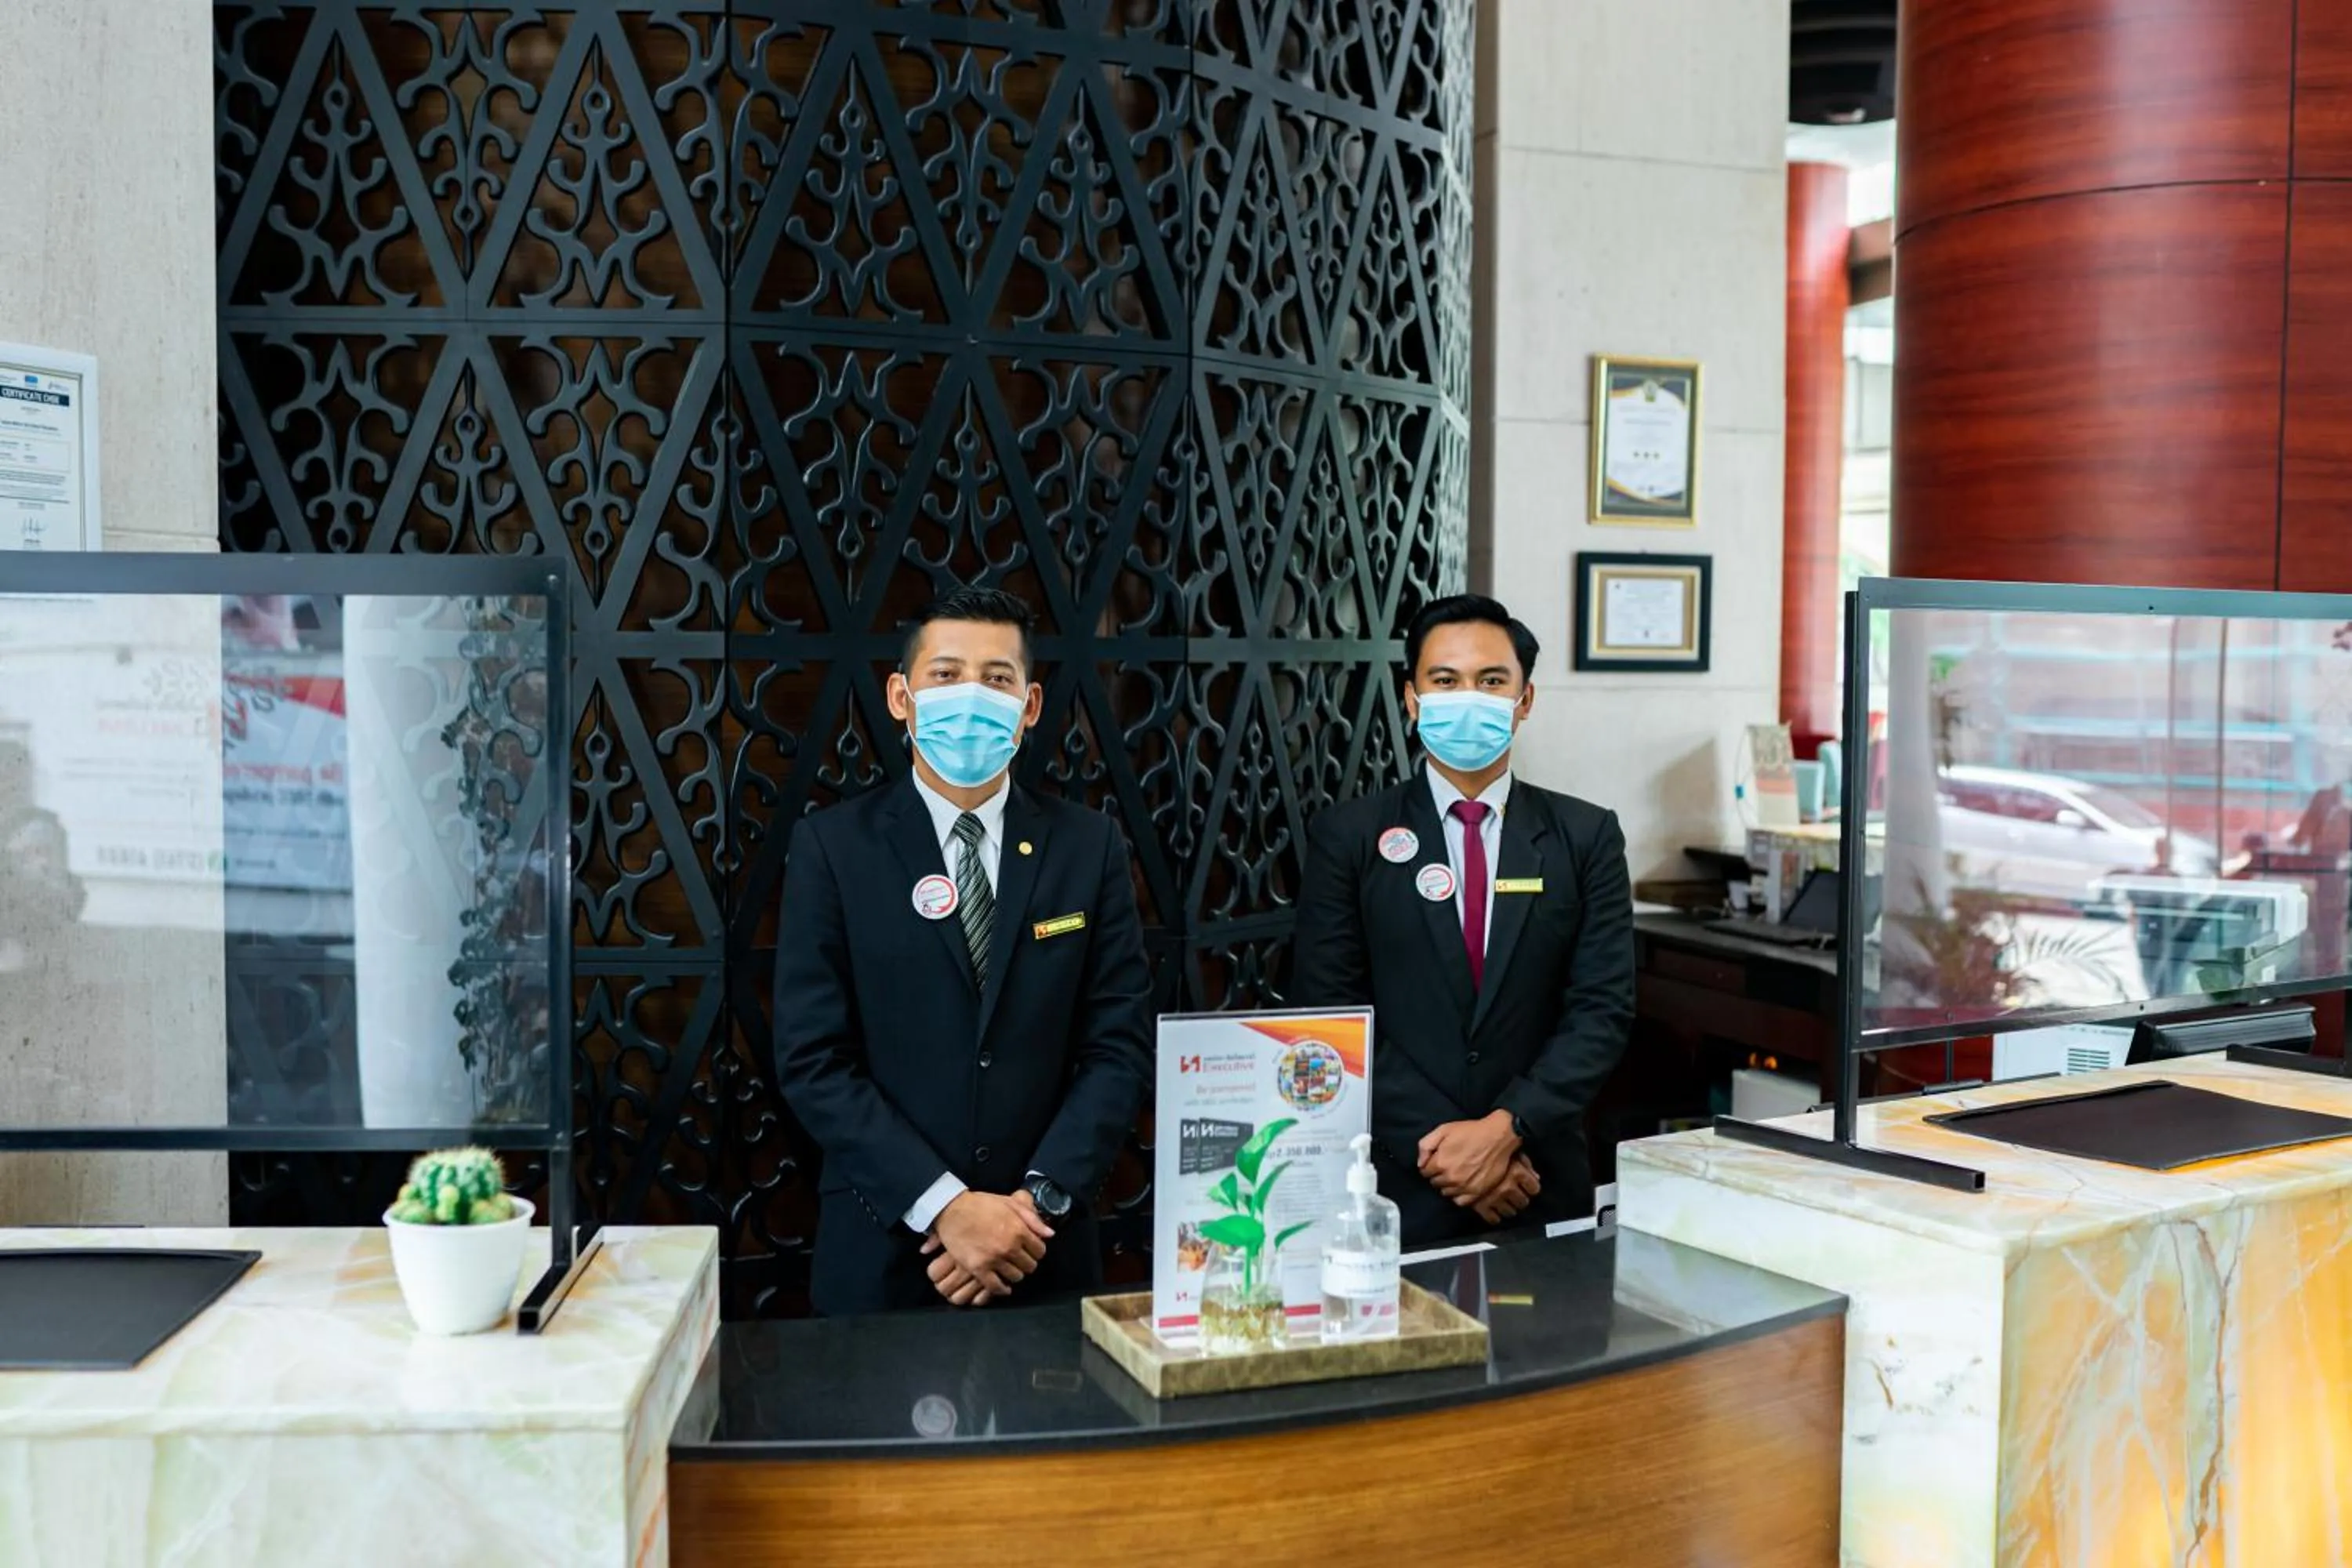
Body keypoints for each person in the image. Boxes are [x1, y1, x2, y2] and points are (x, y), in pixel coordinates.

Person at [771, 587, 1152, 1315]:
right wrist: (946, 1208)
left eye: (997, 678)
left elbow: (1118, 1048)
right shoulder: (834, 848)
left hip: (1041, 1248)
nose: (971, 696)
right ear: (900, 696)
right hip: (886, 1249)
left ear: (1030, 705)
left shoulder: (1088, 846)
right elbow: (813, 1058)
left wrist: (1029, 1210)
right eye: (945, 675)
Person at [1290, 593, 1634, 1246]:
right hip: (1395, 1180)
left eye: (1492, 680)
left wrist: (1506, 1130)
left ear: (1525, 700)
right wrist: (1450, 1152)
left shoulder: (1586, 837)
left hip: (1534, 1178)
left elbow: (1603, 1010)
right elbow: (1330, 1011)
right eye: (1445, 681)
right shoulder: (1351, 837)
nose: (1468, 696)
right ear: (1412, 699)